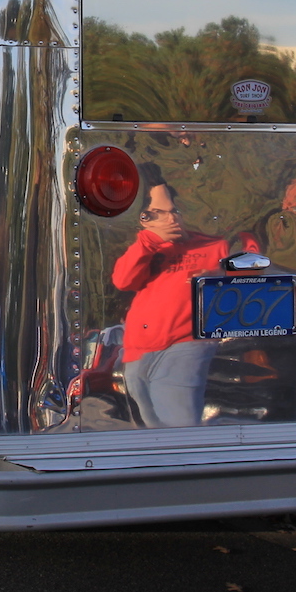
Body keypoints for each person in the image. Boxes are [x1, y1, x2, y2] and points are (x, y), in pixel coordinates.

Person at [112, 164, 231, 428]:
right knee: (150, 429)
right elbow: (123, 280)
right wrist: (148, 243)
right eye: (159, 214)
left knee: (179, 426)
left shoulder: (213, 246)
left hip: (186, 346)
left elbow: (245, 280)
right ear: (144, 220)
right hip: (137, 351)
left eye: (173, 211)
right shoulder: (145, 249)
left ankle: (191, 466)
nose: (171, 219)